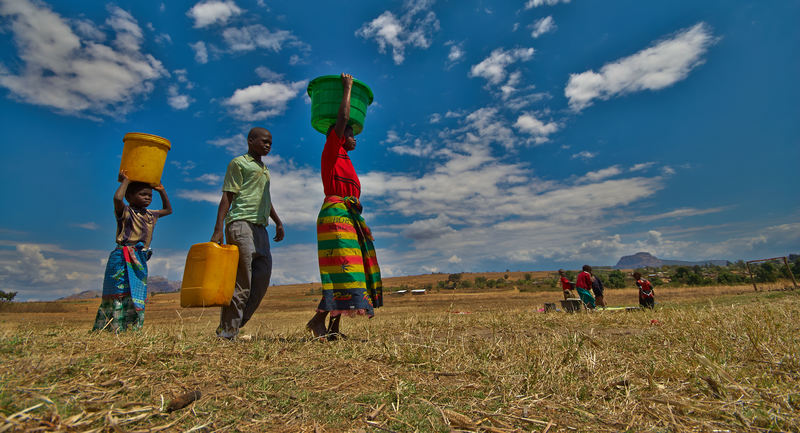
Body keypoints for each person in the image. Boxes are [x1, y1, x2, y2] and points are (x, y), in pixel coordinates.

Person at [305, 73, 383, 340]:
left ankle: (334, 328)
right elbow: (341, 120)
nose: (354, 138)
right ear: (339, 134)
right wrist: (347, 88)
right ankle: (317, 321)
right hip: (336, 216)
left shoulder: (345, 159)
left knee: (349, 270)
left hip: (346, 217)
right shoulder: (332, 149)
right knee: (342, 270)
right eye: (350, 133)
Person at [211, 127, 284, 340]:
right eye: (264, 141)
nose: (268, 146)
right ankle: (227, 332)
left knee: (261, 279)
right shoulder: (238, 163)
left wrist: (277, 222)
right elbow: (227, 196)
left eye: (270, 143)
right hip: (241, 224)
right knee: (242, 282)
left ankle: (231, 325)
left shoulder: (264, 168)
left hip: (261, 228)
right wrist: (218, 229)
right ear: (251, 141)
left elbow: (265, 199)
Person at [92, 170, 172, 332]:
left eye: (150, 195)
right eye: (143, 194)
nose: (148, 198)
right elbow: (117, 198)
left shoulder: (151, 215)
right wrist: (126, 181)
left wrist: (161, 190)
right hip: (122, 255)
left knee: (136, 292)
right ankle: (112, 326)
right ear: (129, 197)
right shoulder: (125, 212)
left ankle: (131, 327)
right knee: (118, 289)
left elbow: (168, 210)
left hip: (140, 258)